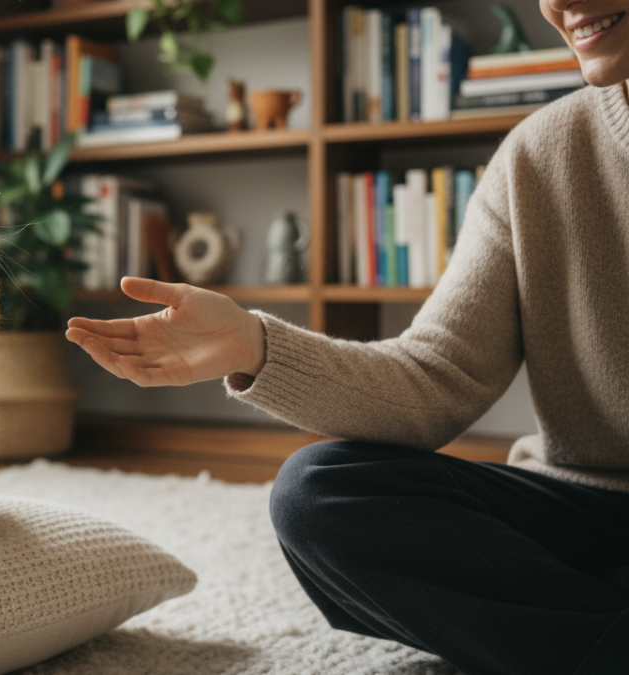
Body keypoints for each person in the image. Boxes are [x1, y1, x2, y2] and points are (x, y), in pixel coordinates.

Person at [65, 0, 629, 672]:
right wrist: (253, 343)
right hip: (585, 511)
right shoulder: (539, 155)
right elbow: (434, 375)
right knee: (318, 492)